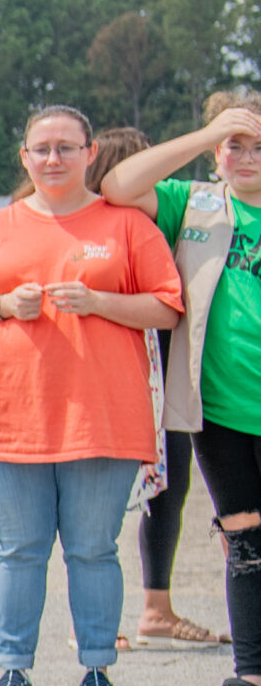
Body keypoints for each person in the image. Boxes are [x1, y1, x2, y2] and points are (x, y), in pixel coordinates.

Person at [0, 105, 183, 686]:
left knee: (94, 550)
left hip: (101, 417)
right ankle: (12, 674)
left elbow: (168, 307)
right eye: (41, 148)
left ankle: (97, 671)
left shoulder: (125, 226)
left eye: (67, 148)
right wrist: (0, 306)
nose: (53, 159)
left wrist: (100, 300)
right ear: (24, 157)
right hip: (8, 418)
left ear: (90, 153)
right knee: (19, 549)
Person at [100, 97, 261, 686]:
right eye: (234, 147)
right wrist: (206, 133)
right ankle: (250, 673)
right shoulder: (196, 205)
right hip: (219, 408)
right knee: (243, 540)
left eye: (256, 146)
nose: (245, 158)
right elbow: (118, 184)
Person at [85, 125, 220, 651]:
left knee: (170, 484)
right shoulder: (99, 230)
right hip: (117, 371)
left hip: (169, 368)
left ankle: (156, 608)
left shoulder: (164, 225)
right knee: (106, 492)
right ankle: (96, 618)